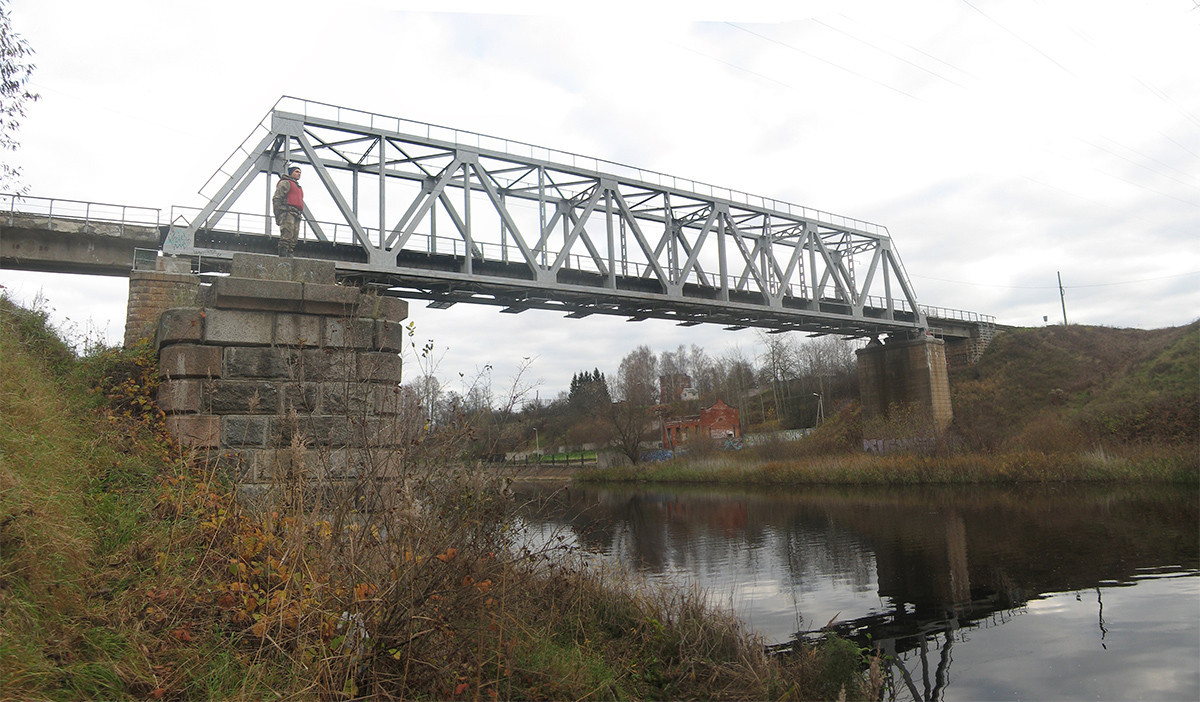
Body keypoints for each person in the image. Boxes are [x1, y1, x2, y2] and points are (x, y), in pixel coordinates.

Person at [272, 165, 304, 256]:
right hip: (287, 212)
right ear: (291, 173)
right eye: (296, 172)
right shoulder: (285, 183)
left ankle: (289, 256)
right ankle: (283, 258)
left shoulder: (298, 187)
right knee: (286, 235)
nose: (299, 174)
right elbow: (277, 198)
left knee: (294, 238)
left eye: (300, 172)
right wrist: (278, 215)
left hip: (296, 214)